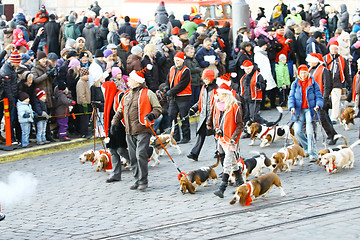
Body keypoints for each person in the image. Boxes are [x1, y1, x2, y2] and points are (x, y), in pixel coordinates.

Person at [111, 67, 162, 191]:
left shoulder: (148, 93)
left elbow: (158, 109)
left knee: (140, 155)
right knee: (132, 157)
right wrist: (114, 123)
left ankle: (143, 180)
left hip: (143, 130)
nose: (128, 81)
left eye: (131, 79)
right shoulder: (126, 95)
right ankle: (137, 179)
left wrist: (152, 115)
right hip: (129, 131)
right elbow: (120, 111)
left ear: (137, 81)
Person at [208, 83, 243, 198]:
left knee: (227, 163)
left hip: (231, 140)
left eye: (220, 94)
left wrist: (234, 138)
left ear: (226, 95)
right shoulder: (218, 106)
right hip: (222, 139)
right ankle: (241, 183)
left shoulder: (235, 107)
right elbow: (217, 122)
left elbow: (240, 124)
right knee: (233, 163)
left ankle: (222, 188)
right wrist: (217, 129)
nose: (218, 96)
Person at [288, 64, 324, 162]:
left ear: (308, 73)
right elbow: (291, 97)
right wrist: (291, 107)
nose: (303, 75)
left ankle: (313, 154)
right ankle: (308, 148)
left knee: (309, 131)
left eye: (305, 72)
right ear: (298, 73)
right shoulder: (295, 84)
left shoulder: (313, 83)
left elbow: (319, 96)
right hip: (299, 110)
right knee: (297, 131)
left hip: (310, 109)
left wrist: (318, 105)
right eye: (301, 73)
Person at [306, 53, 338, 145]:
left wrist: (324, 99)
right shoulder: (311, 69)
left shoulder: (324, 70)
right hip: (312, 98)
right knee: (321, 119)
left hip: (320, 98)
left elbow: (327, 86)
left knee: (323, 119)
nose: (308, 63)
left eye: (309, 61)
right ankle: (331, 135)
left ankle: (332, 135)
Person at [187, 69, 217, 161]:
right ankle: (195, 153)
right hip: (204, 115)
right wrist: (194, 108)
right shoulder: (204, 87)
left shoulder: (217, 89)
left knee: (217, 135)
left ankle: (219, 150)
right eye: (204, 79)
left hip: (214, 115)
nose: (205, 81)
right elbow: (201, 101)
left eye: (207, 79)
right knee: (201, 134)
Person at [166, 52, 192, 144]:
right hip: (174, 97)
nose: (176, 62)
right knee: (171, 115)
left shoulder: (186, 70)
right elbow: (168, 80)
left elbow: (182, 85)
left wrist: (171, 91)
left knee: (183, 116)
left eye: (178, 61)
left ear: (182, 61)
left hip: (183, 97)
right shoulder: (172, 69)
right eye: (175, 61)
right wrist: (166, 88)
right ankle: (176, 136)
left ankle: (186, 136)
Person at [324, 42, 351, 123]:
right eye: (332, 49)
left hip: (337, 82)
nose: (334, 51)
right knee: (327, 100)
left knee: (336, 100)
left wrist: (349, 82)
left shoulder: (342, 59)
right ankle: (327, 116)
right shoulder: (325, 58)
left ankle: (334, 117)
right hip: (327, 82)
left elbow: (346, 72)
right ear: (329, 49)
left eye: (336, 49)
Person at [239, 60, 267, 124]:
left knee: (254, 116)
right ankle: (248, 131)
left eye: (249, 69)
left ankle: (265, 124)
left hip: (254, 99)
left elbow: (263, 86)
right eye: (246, 69)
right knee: (246, 116)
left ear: (252, 67)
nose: (247, 71)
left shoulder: (258, 75)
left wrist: (259, 85)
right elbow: (241, 88)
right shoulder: (243, 78)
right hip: (245, 99)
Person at [76, 67, 92, 139]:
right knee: (84, 119)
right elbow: (81, 94)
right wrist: (84, 102)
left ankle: (86, 132)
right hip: (83, 104)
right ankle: (84, 133)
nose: (87, 76)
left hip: (87, 102)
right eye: (86, 75)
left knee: (86, 118)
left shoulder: (86, 82)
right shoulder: (80, 83)